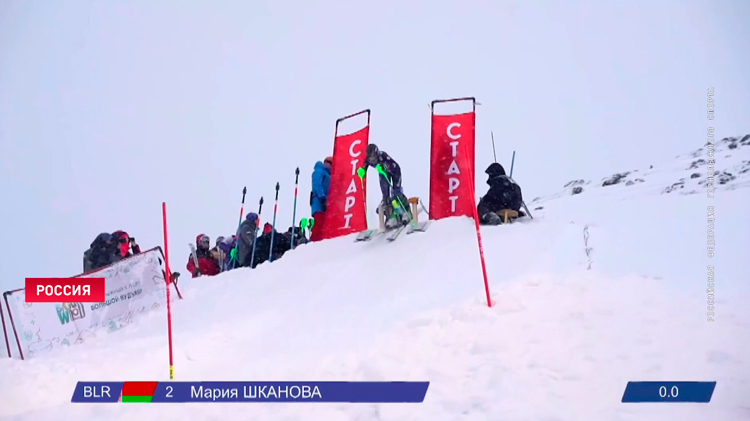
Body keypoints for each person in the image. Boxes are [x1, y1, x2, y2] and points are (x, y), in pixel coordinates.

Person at [359, 143, 412, 228]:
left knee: (396, 193)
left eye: (374, 158)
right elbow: (365, 166)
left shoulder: (383, 155)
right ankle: (390, 216)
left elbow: (391, 165)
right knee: (385, 196)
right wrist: (362, 171)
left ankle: (406, 211)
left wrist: (384, 167)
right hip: (383, 174)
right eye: (370, 158)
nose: (372, 160)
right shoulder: (368, 159)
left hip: (394, 172)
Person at [310, 156, 332, 242]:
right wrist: (322, 197)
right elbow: (317, 185)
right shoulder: (320, 171)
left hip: (325, 203)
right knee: (319, 223)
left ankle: (319, 240)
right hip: (319, 202)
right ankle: (314, 241)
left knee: (324, 224)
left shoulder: (328, 175)